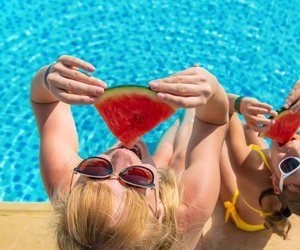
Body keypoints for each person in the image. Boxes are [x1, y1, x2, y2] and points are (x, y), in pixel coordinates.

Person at [30, 55, 229, 249]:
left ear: (72, 191)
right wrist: (211, 90)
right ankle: (185, 117)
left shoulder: (68, 191)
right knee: (178, 159)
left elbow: (44, 102)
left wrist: (49, 78)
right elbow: (213, 122)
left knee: (162, 156)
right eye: (136, 178)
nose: (121, 154)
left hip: (154, 184)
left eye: (97, 170)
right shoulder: (191, 211)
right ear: (159, 214)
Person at [219, 81, 300, 239]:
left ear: (276, 183)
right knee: (251, 128)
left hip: (243, 218)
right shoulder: (291, 190)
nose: (296, 148)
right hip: (269, 211)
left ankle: (184, 121)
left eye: (290, 165)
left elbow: (221, 109)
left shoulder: (250, 169)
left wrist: (239, 104)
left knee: (217, 145)